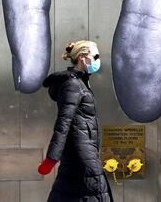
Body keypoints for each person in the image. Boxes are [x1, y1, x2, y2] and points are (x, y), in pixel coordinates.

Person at [38, 40, 113, 202]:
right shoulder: (73, 84)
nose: (97, 60)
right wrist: (51, 158)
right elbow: (63, 122)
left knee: (71, 194)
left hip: (83, 151)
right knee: (94, 192)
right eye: (95, 56)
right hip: (82, 153)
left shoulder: (80, 83)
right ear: (82, 58)